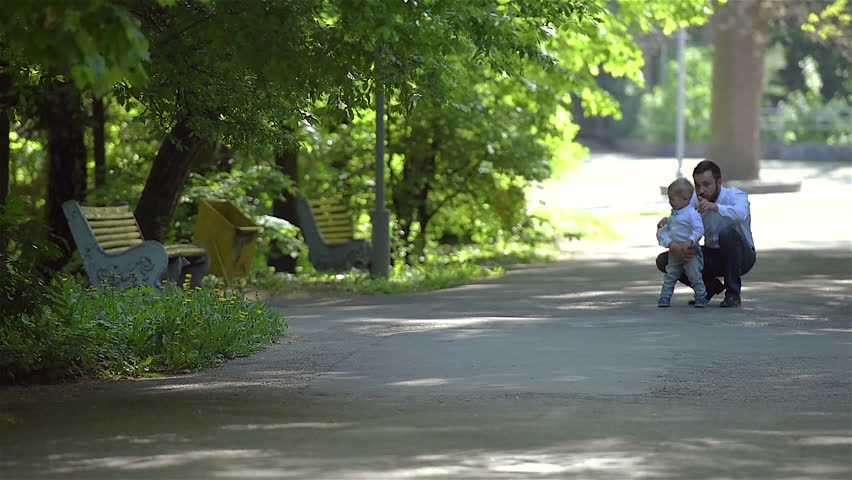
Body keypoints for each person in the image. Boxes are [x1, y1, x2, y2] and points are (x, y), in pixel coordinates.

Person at [655, 160, 756, 307]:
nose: (701, 190)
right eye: (697, 185)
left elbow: (741, 214)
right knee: (664, 260)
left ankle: (733, 295)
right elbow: (680, 220)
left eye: (706, 184)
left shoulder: (735, 196)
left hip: (742, 256)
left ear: (719, 182)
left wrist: (715, 207)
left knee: (727, 234)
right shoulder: (695, 200)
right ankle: (709, 287)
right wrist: (672, 236)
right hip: (712, 254)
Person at [656, 178, 707, 308]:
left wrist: (690, 241)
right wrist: (668, 238)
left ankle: (701, 295)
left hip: (690, 250)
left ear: (684, 199)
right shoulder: (674, 215)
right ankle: (665, 297)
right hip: (675, 250)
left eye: (672, 199)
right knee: (671, 274)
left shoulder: (691, 213)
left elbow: (699, 229)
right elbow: (666, 231)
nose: (669, 201)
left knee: (694, 273)